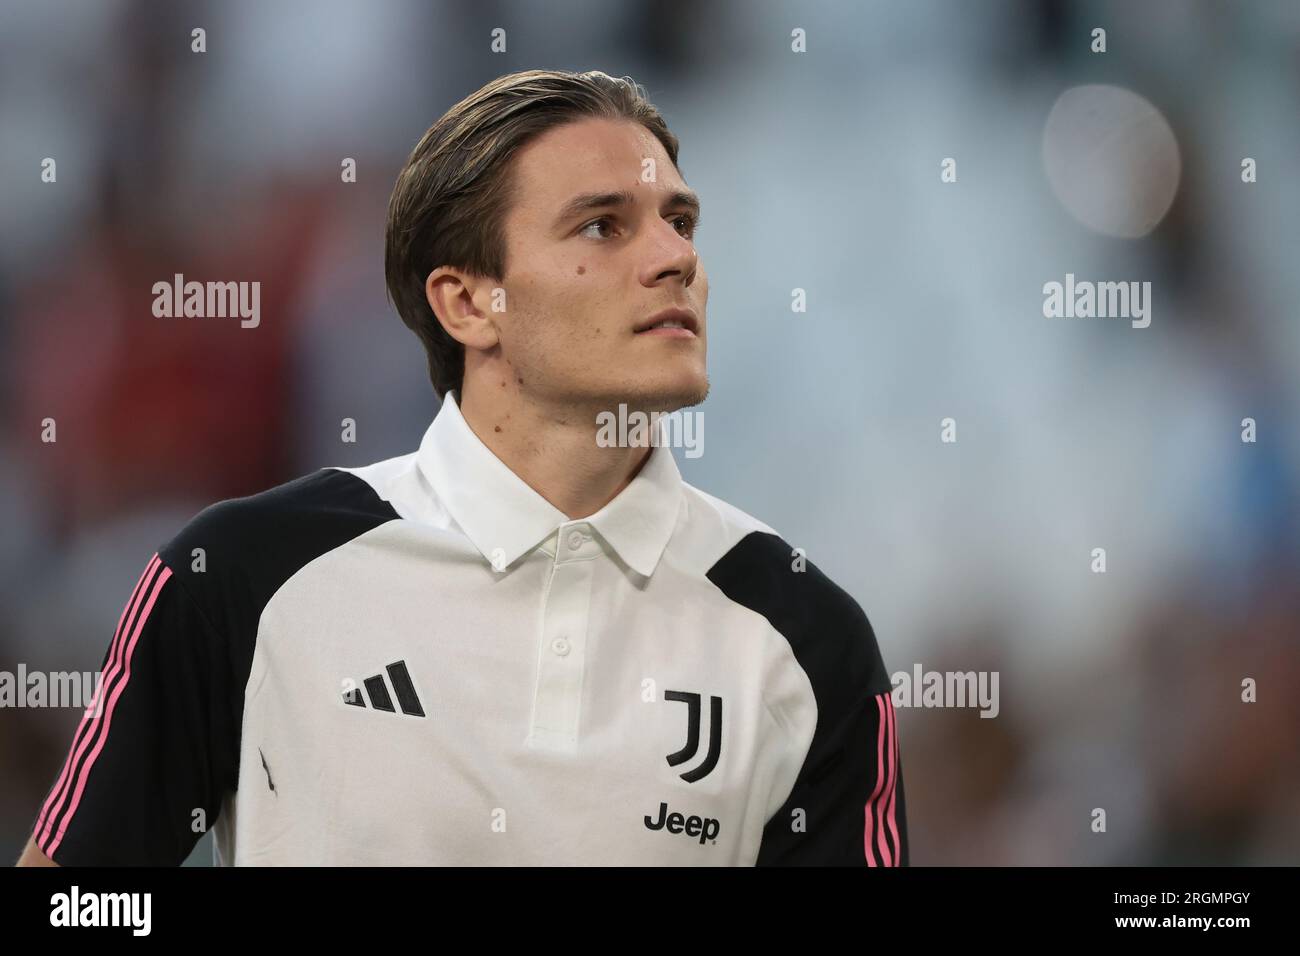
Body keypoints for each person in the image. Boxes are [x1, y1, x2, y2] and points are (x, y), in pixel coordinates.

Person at [18, 69, 907, 866]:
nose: (676, 258)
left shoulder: (804, 638)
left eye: (681, 223)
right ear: (468, 302)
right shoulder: (241, 576)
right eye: (603, 225)